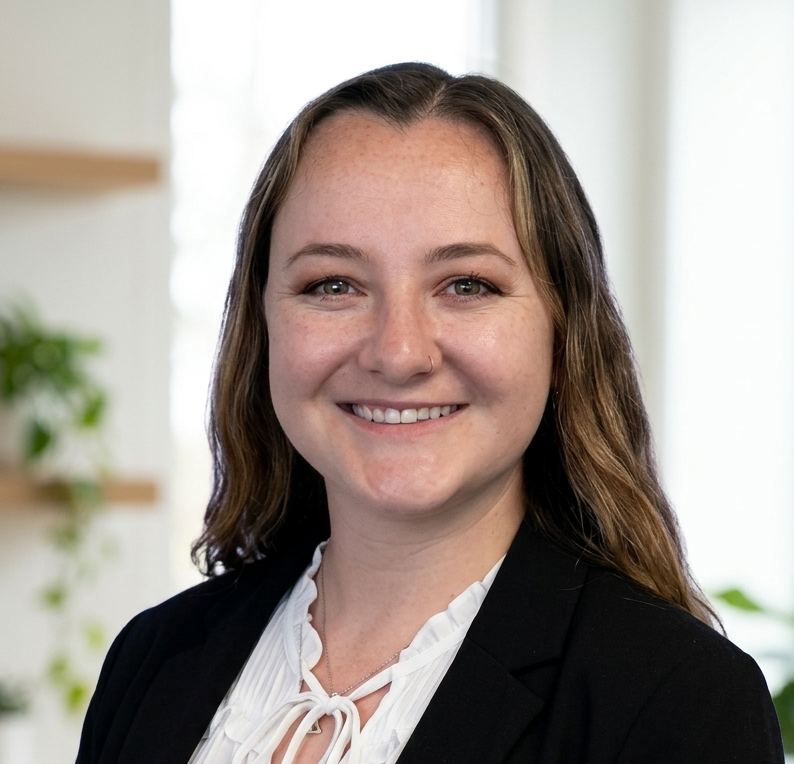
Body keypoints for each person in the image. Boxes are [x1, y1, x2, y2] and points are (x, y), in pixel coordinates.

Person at [76, 63, 783, 764]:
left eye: (467, 284)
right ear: (262, 328)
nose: (399, 351)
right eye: (333, 285)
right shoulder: (154, 660)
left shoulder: (676, 702)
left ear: (563, 332)